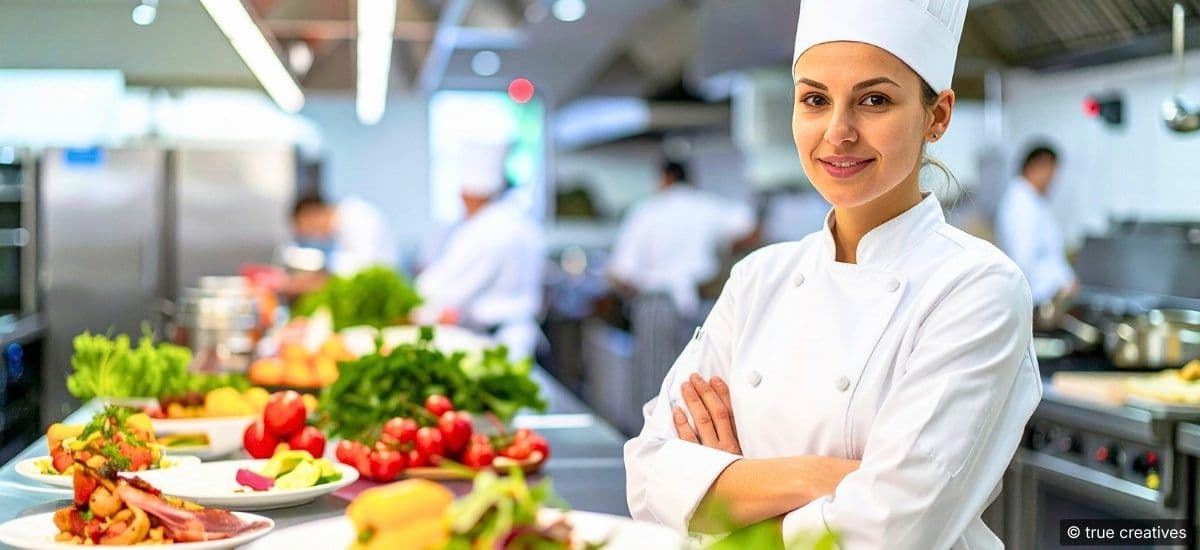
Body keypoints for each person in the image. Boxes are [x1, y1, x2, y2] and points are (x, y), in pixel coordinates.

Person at [624, 1, 1042, 548]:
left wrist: (727, 498)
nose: (838, 132)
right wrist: (821, 477)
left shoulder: (977, 287)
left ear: (937, 116)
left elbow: (890, 529)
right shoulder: (759, 278)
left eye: (874, 100)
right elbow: (649, 475)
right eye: (815, 100)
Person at [607, 160, 757, 426]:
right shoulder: (708, 206)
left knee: (655, 385)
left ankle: (654, 443)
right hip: (703, 303)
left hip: (657, 304)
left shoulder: (647, 211)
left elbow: (620, 273)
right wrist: (725, 250)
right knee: (700, 384)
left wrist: (637, 293)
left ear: (664, 179)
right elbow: (752, 229)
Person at [413, 143, 544, 361]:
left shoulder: (484, 229)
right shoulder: (520, 222)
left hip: (497, 340)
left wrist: (419, 309)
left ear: (470, 194)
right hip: (519, 334)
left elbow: (451, 288)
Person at [995, 144, 1078, 306]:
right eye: (1051, 173)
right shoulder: (1020, 204)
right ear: (1037, 166)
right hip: (1039, 301)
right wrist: (1059, 284)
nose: (1052, 181)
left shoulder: (1033, 201)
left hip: (1048, 296)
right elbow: (1023, 261)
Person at [284, 194, 398, 294]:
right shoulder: (342, 226)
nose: (315, 237)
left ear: (312, 214)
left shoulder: (357, 217)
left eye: (310, 231)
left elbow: (364, 266)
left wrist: (314, 281)